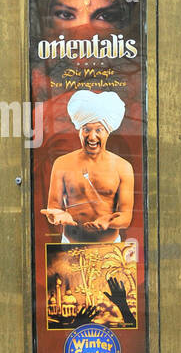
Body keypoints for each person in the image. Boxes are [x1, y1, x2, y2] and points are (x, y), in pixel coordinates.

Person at [41, 90, 133, 244]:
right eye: (86, 129)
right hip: (70, 245)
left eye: (99, 130)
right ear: (79, 132)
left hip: (110, 249)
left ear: (107, 132)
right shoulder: (62, 164)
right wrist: (57, 216)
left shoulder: (123, 167)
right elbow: (53, 207)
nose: (92, 136)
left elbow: (126, 216)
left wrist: (108, 222)